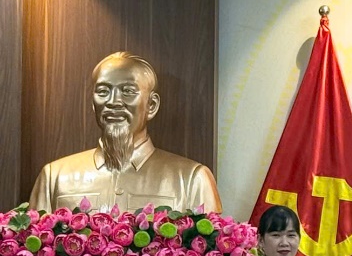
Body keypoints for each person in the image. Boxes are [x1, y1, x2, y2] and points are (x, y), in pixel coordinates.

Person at [28, 50, 221, 213]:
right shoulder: (55, 178)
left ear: (151, 105)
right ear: (93, 104)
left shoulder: (191, 179)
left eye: (128, 91)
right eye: (103, 91)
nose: (113, 102)